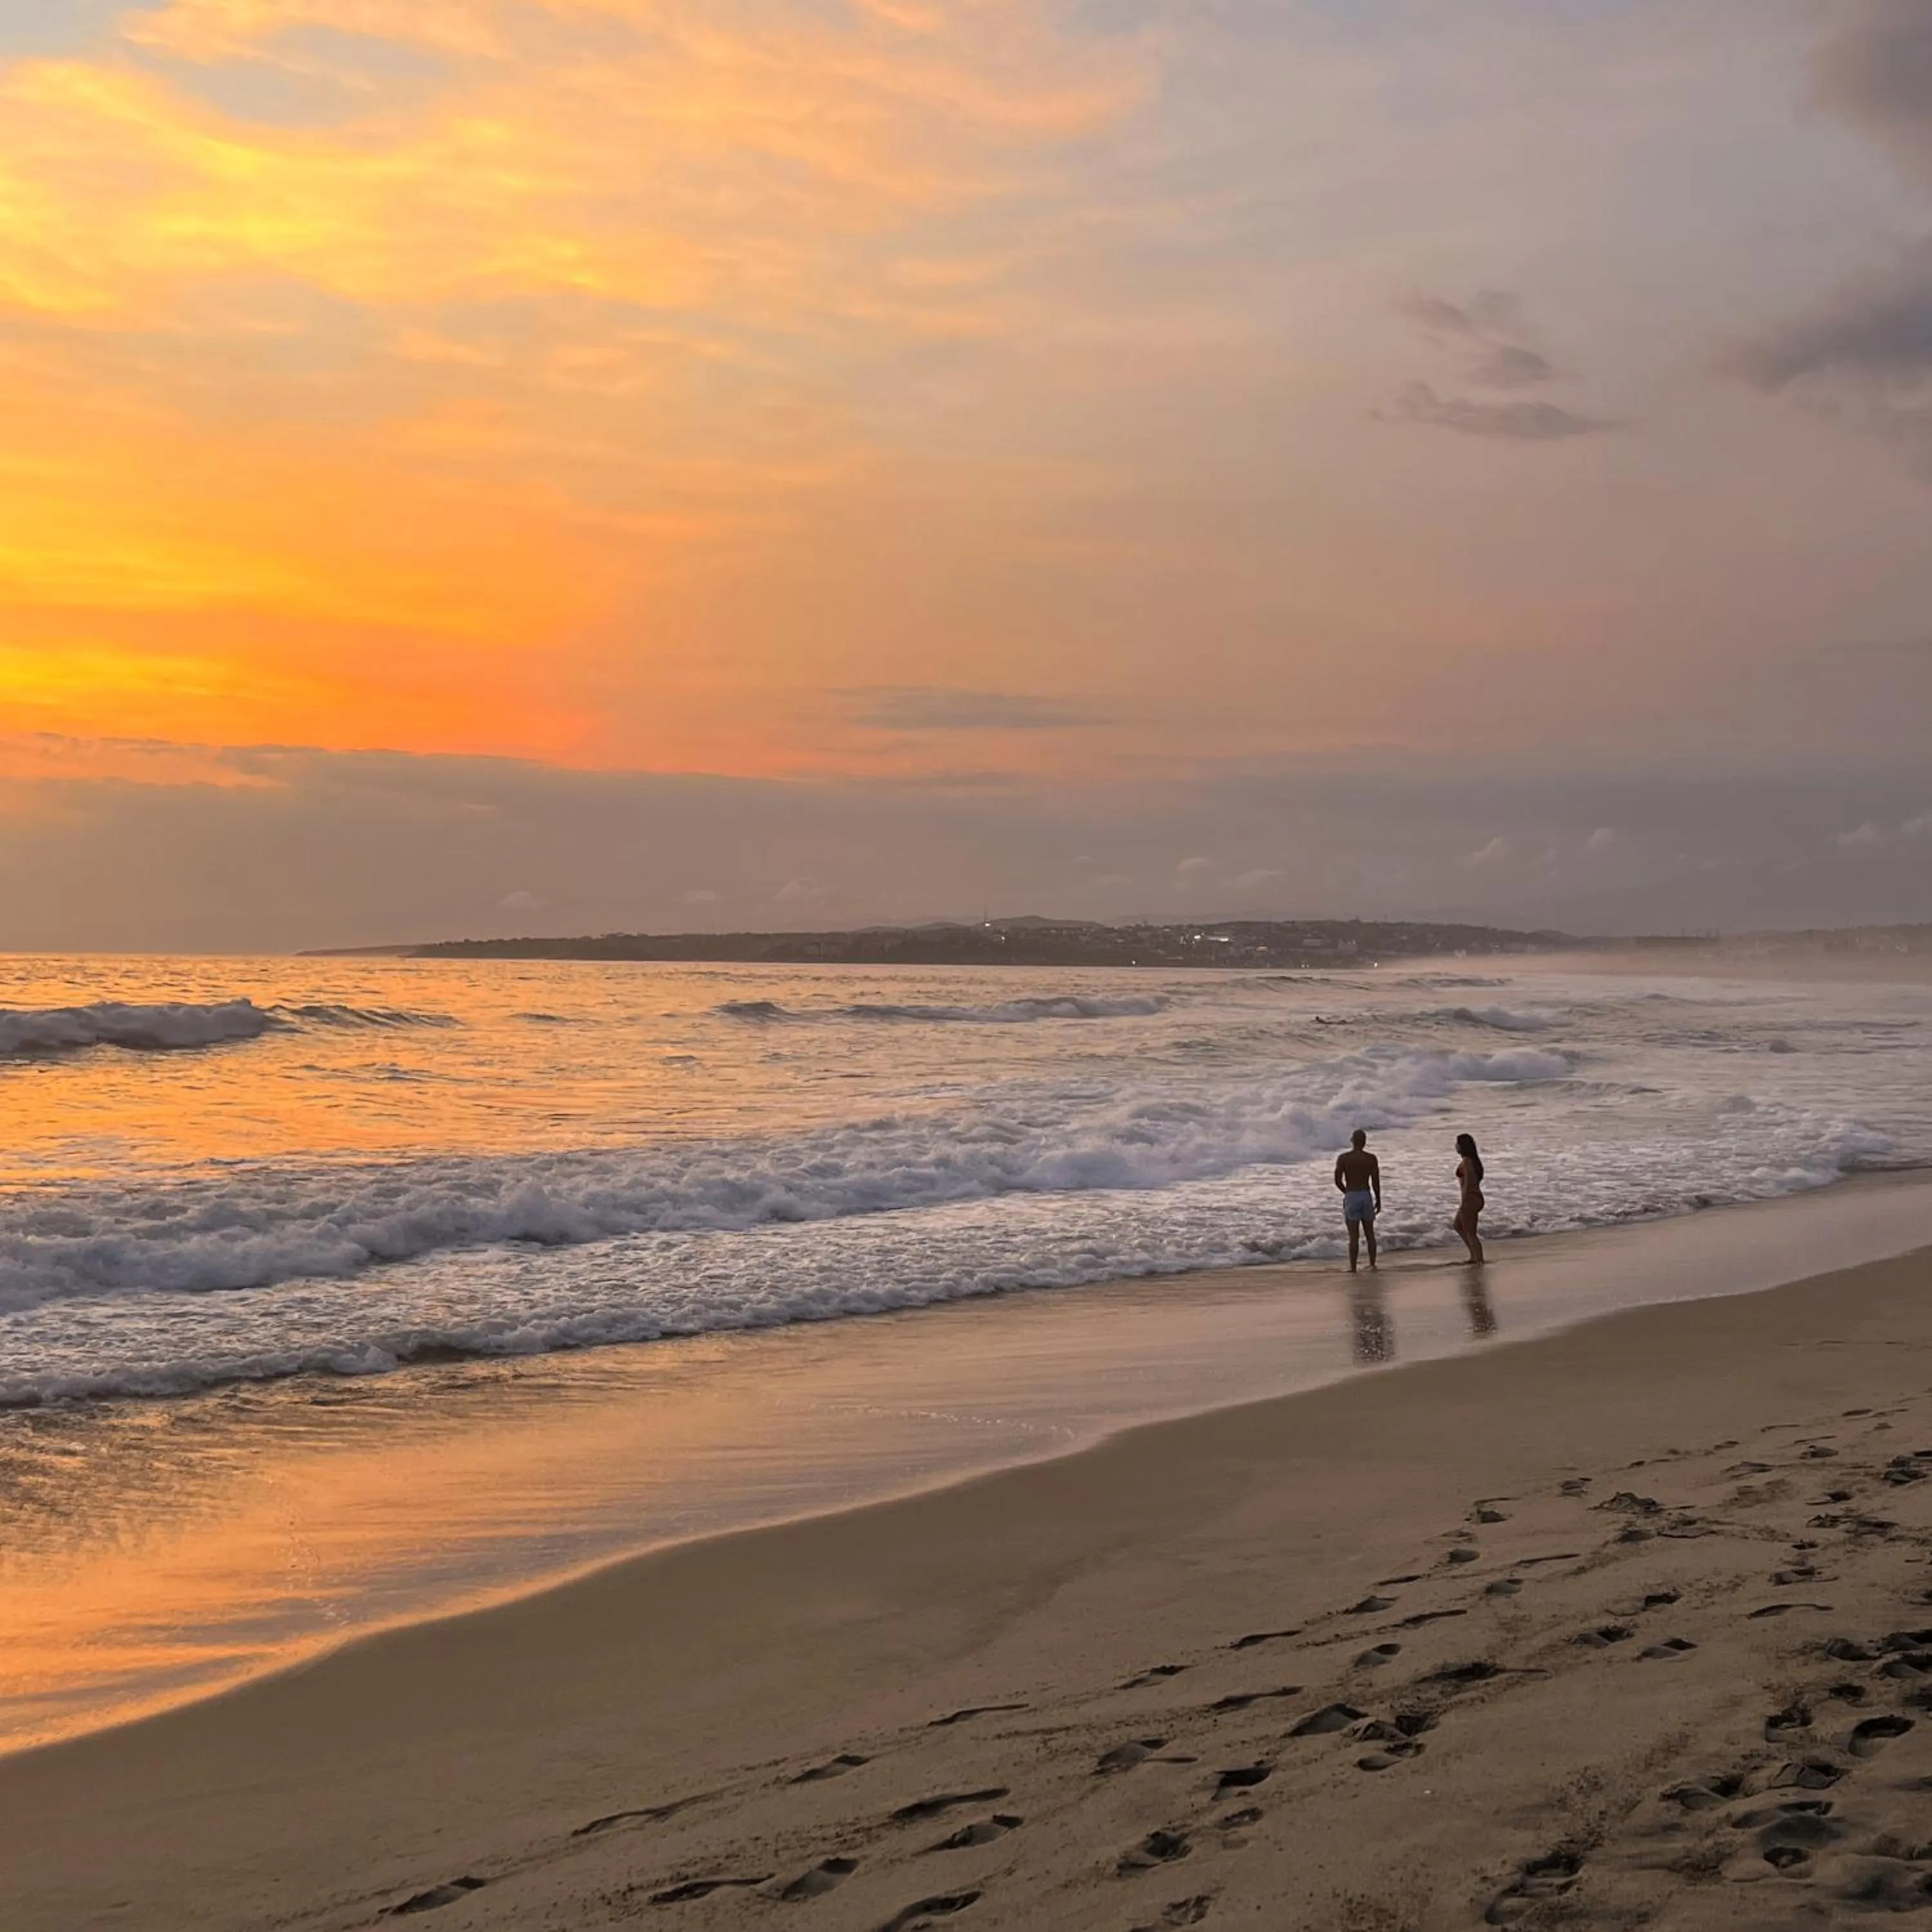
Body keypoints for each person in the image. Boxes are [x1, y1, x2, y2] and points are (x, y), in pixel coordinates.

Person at [1334, 1128, 1381, 1274]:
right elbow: (1375, 1182)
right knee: (1370, 1233)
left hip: (1352, 1195)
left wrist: (1346, 1192)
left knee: (1353, 1236)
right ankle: (1372, 1264)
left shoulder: (1344, 1158)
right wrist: (1378, 1199)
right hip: (1366, 1195)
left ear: (1352, 1141)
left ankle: (1353, 1268)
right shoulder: (1371, 1158)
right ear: (1365, 1142)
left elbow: (1337, 1180)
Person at [1454, 1132, 1486, 1265]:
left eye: (1457, 1144)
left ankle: (1479, 1259)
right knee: (1458, 1225)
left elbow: (1470, 1182)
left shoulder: (1467, 1162)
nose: (1455, 1146)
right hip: (1475, 1198)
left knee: (1470, 1232)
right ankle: (1474, 1256)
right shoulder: (1472, 1160)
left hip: (1471, 1198)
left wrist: (1465, 1201)